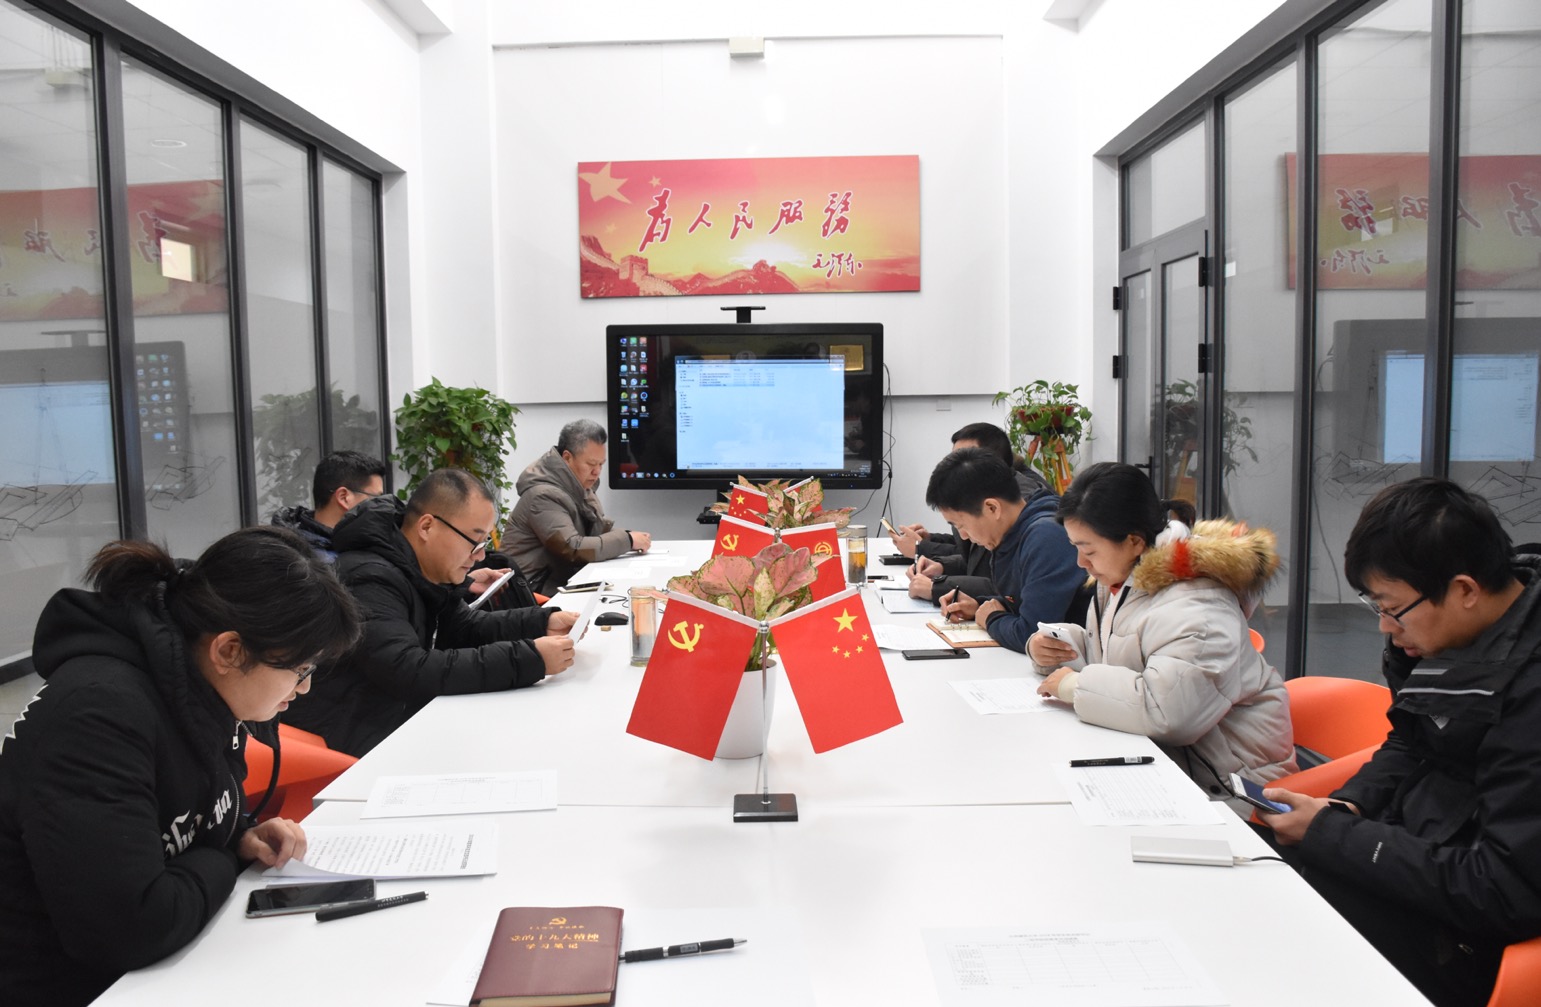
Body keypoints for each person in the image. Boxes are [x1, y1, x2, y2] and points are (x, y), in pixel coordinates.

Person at [0, 527, 361, 1006]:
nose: (305, 688)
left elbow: (182, 815)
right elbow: (130, 929)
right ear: (229, 650)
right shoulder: (95, 717)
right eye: (300, 669)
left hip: (164, 968)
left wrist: (242, 835)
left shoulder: (200, 690)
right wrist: (226, 857)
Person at [1257, 479, 1541, 1007]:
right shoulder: (1454, 637)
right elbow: (1411, 743)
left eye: (1392, 608)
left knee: (1265, 922)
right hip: (1413, 861)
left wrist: (1334, 835)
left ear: (1465, 590)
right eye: (1376, 608)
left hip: (1469, 935)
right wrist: (1348, 805)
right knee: (1255, 870)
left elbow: (1502, 889)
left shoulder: (1528, 692)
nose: (1386, 629)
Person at [1027, 461, 1295, 801]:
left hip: (1232, 787)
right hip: (1170, 765)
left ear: (1134, 542)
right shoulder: (1125, 577)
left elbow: (1169, 712)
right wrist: (1057, 646)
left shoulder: (1199, 603)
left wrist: (1074, 685)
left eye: (1088, 550)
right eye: (1076, 548)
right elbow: (1119, 652)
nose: (1081, 563)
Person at [285, 468, 578, 756]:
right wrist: (530, 658)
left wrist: (542, 621)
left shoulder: (421, 569)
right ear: (426, 527)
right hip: (355, 738)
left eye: (484, 542)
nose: (479, 556)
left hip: (399, 718)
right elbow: (408, 670)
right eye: (474, 541)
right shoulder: (369, 576)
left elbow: (465, 627)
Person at [921, 448, 1084, 652]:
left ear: (992, 508)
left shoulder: (1046, 537)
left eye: (961, 525)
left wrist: (991, 617)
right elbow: (1023, 601)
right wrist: (979, 606)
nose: (963, 536)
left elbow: (1035, 635)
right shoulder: (1012, 533)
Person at [892, 421, 1051, 604]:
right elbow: (976, 558)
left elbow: (1006, 589)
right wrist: (941, 562)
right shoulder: (985, 497)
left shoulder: (1022, 510)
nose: (955, 467)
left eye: (965, 458)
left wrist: (936, 582)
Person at [502, 419, 651, 595]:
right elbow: (572, 547)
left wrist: (629, 536)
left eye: (601, 464)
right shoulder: (543, 495)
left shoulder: (578, 486)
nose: (597, 472)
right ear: (567, 458)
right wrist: (628, 540)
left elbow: (592, 534)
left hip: (558, 582)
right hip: (533, 591)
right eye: (591, 464)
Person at [270, 449, 387, 561]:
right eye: (376, 498)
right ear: (343, 497)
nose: (381, 505)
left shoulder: (362, 545)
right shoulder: (300, 562)